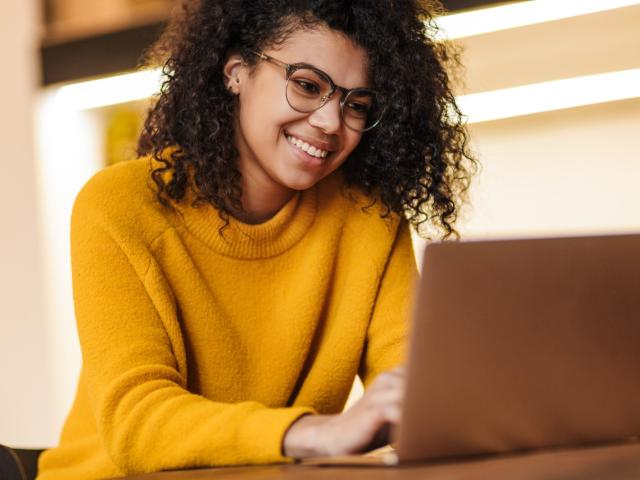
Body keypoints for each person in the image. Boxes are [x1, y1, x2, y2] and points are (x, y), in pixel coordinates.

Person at [38, 0, 475, 478]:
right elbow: (137, 423)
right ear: (236, 73)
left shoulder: (369, 218)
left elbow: (413, 385)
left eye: (357, 105)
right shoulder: (120, 205)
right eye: (308, 86)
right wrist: (315, 433)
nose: (331, 123)